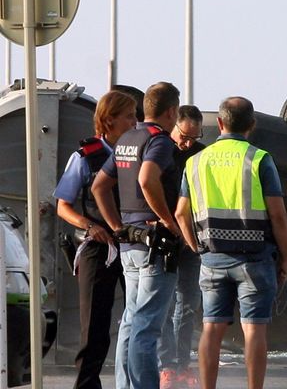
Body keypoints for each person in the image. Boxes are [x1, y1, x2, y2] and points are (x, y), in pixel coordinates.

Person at [175, 96, 287, 389]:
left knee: (211, 329)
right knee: (254, 330)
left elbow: (180, 212)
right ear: (252, 125)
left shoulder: (195, 161)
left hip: (212, 258)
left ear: (221, 123)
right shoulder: (260, 159)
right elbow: (277, 215)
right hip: (254, 258)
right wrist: (286, 258)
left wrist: (195, 246)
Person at [91, 82, 182, 389]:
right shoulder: (160, 141)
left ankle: (124, 385)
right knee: (147, 325)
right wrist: (169, 221)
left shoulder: (127, 138)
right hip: (154, 245)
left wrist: (117, 226)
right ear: (172, 111)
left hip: (130, 242)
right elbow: (147, 179)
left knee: (131, 321)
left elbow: (99, 186)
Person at [54, 90, 138, 389]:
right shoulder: (84, 157)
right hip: (98, 247)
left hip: (134, 245)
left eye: (135, 115)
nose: (134, 122)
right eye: (129, 116)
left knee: (138, 319)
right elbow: (63, 205)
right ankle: (86, 384)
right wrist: (89, 226)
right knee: (95, 326)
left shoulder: (137, 152)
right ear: (109, 120)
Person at [158, 105, 205, 389]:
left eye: (193, 138)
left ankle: (183, 363)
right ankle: (167, 365)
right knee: (164, 303)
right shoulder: (161, 149)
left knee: (189, 303)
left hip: (191, 238)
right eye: (183, 136)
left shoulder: (201, 154)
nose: (186, 143)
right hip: (164, 235)